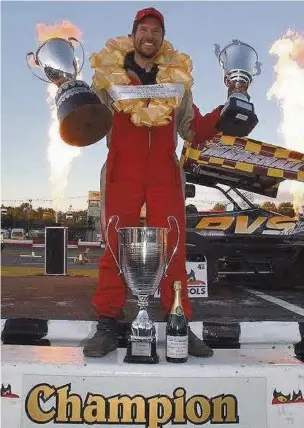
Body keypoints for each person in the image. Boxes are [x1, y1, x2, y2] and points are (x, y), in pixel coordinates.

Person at [83, 7, 234, 358]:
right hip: (122, 167)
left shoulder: (176, 78)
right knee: (113, 244)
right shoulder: (108, 74)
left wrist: (225, 115)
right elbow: (90, 118)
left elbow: (191, 129)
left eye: (155, 31)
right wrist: (70, 96)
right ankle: (108, 321)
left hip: (164, 171)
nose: (148, 36)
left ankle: (179, 317)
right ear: (133, 34)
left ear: (161, 38)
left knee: (175, 246)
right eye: (143, 30)